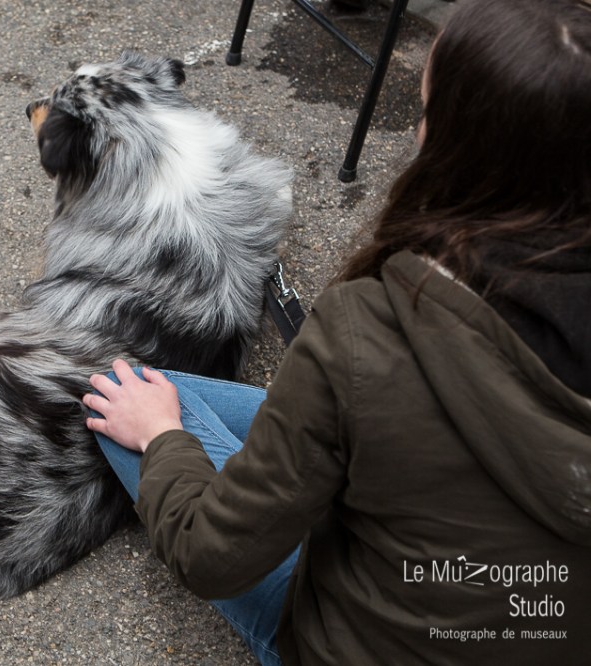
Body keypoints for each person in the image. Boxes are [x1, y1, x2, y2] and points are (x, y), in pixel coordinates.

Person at [82, 0, 591, 664]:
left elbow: (212, 558)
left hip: (362, 646)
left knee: (131, 390)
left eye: (427, 112)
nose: (414, 134)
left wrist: (163, 440)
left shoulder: (364, 330)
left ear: (462, 148)